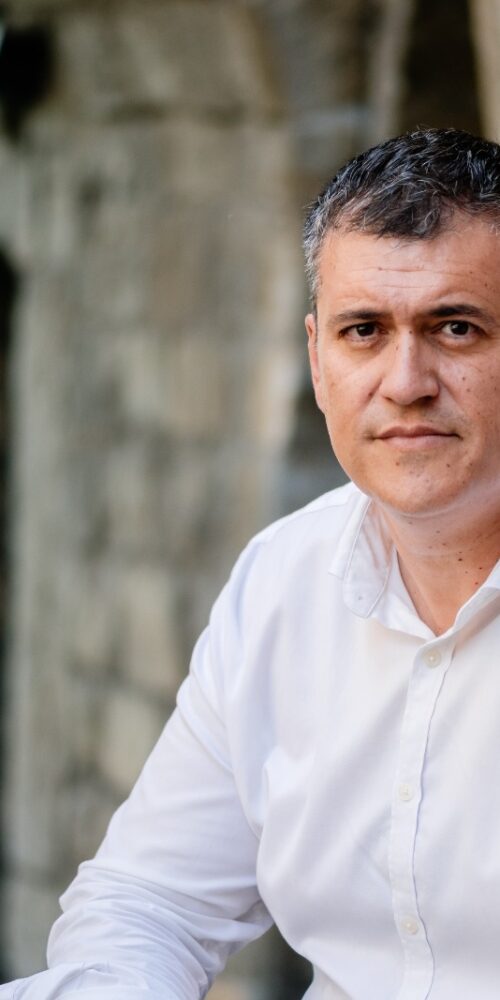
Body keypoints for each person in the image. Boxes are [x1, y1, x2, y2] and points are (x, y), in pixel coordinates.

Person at [3, 126, 500, 1000]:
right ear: (316, 359)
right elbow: (149, 900)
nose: (405, 380)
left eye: (455, 328)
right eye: (363, 331)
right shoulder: (285, 579)